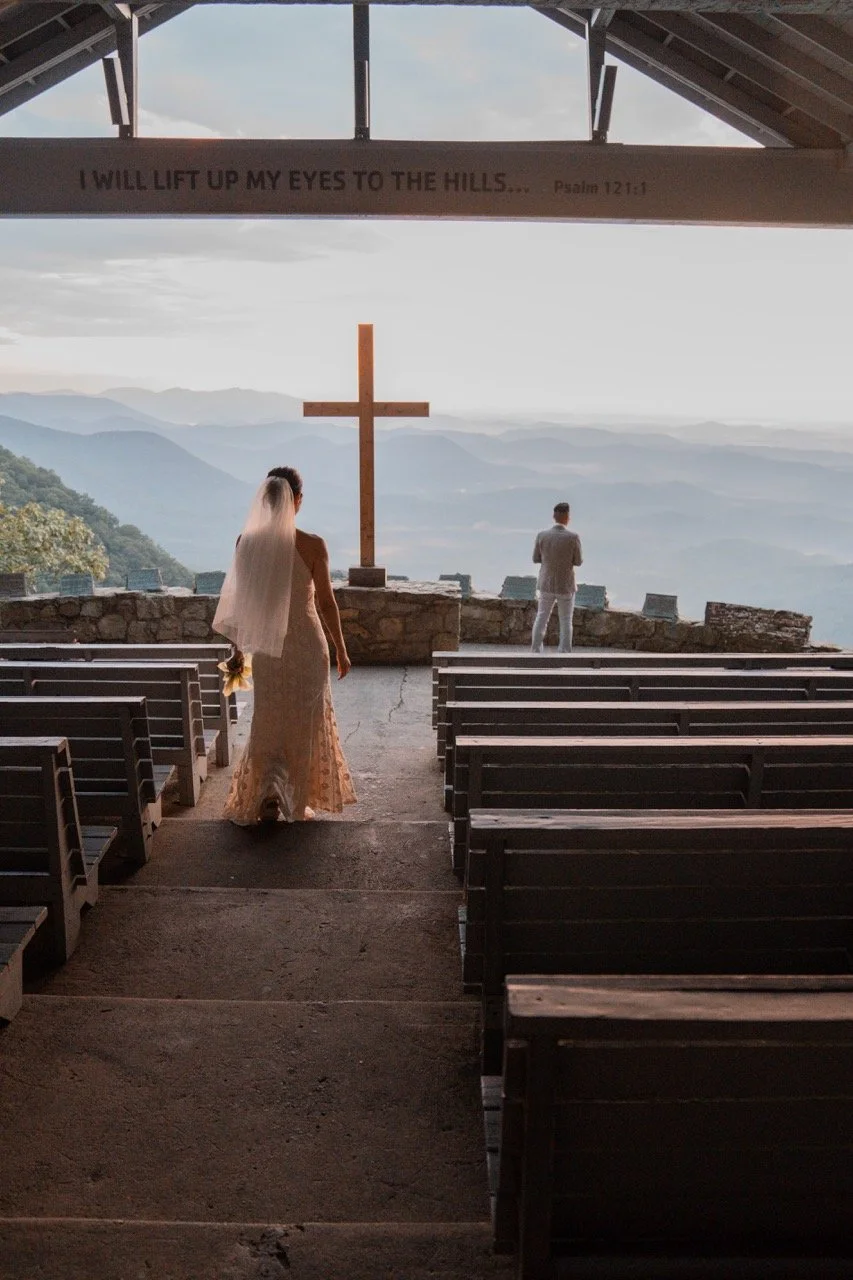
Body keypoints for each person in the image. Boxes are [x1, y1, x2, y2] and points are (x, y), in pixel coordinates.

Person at [213, 466, 357, 824]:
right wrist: (341, 648)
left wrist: (237, 652)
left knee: (269, 722)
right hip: (308, 647)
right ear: (298, 501)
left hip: (268, 652)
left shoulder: (245, 544)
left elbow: (241, 605)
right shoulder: (312, 545)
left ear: (265, 499)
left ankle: (267, 795)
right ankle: (296, 797)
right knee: (303, 723)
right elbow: (326, 603)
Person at [531, 501, 583, 654]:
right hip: (565, 585)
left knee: (541, 617)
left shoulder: (542, 536)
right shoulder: (573, 537)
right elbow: (578, 561)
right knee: (566, 620)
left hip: (546, 583)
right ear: (567, 517)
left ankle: (536, 651)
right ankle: (564, 652)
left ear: (554, 516)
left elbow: (535, 558)